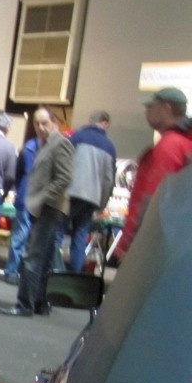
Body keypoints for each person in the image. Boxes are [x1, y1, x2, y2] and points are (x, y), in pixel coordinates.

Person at [2, 107, 73, 317]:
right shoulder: (45, 143)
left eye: (44, 123)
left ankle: (25, 304)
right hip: (47, 208)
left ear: (54, 122)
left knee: (32, 257)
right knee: (44, 258)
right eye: (37, 123)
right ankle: (40, 303)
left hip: (49, 208)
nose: (40, 127)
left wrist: (41, 198)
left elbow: (65, 178)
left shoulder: (59, 143)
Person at [113, 87, 192, 264]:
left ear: (166, 108)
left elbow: (152, 201)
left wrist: (128, 245)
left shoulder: (169, 146)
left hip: (152, 248)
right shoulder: (185, 144)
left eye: (150, 106)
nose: (146, 111)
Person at [62, 110, 116, 272]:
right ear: (105, 123)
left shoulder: (76, 137)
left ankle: (52, 271)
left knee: (57, 232)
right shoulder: (109, 147)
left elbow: (63, 163)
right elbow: (108, 180)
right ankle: (74, 275)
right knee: (80, 237)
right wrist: (102, 204)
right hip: (92, 198)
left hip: (70, 194)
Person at [2, 134, 39, 284]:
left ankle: (12, 271)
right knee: (32, 241)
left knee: (19, 236)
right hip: (38, 200)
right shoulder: (42, 149)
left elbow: (17, 175)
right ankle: (23, 273)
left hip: (24, 197)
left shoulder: (27, 148)